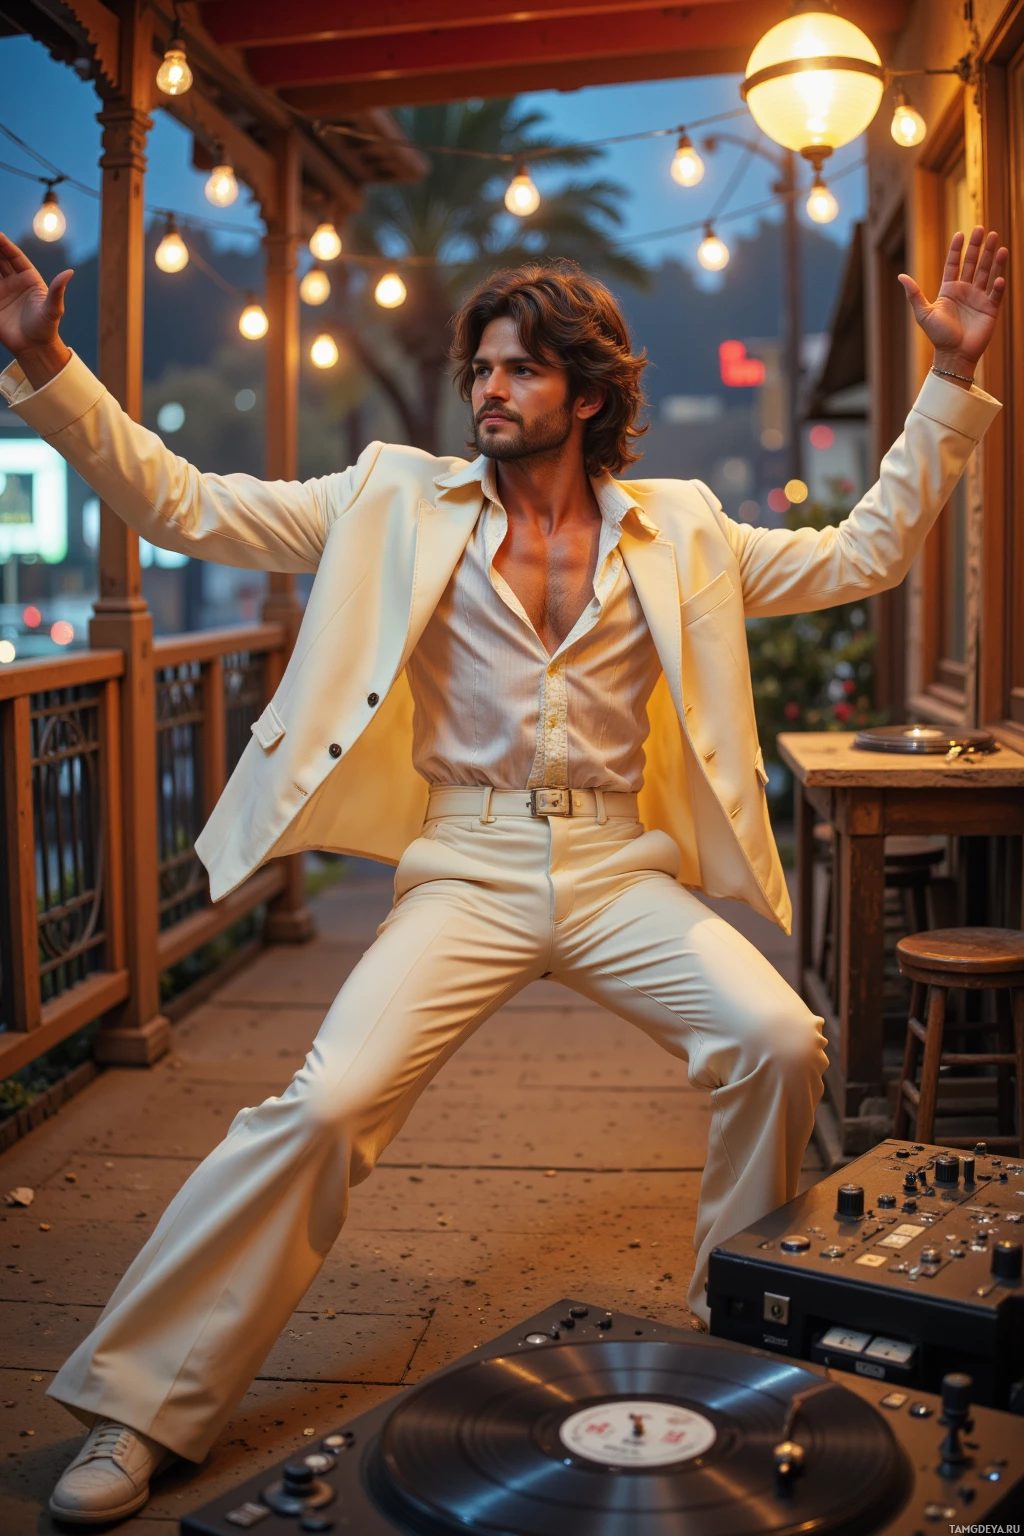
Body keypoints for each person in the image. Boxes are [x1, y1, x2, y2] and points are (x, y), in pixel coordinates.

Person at [0, 225, 1007, 1524]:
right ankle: (140, 1409)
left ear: (587, 396)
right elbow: (186, 502)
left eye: (521, 370)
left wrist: (949, 381)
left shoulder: (683, 530)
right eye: (480, 367)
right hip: (466, 866)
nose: (488, 389)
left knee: (777, 1040)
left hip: (613, 864)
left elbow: (867, 550)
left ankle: (737, 1339)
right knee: (322, 1107)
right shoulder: (388, 499)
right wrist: (49, 365)